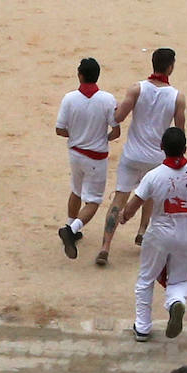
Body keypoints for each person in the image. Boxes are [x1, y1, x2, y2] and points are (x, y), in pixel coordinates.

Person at [120, 127, 187, 342]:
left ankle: (143, 327)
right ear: (185, 148)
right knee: (179, 280)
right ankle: (176, 302)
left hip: (160, 236)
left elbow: (134, 205)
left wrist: (123, 216)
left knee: (146, 279)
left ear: (161, 147)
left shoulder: (153, 175)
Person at [97, 48, 186, 265]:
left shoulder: (137, 89)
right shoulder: (177, 97)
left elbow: (118, 116)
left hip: (133, 154)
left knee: (119, 198)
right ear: (170, 67)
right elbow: (179, 133)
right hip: (157, 158)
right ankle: (143, 230)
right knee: (151, 196)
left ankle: (105, 246)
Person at [55, 58, 120, 258]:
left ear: (80, 75)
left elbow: (60, 130)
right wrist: (103, 138)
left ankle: (69, 224)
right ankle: (72, 229)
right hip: (96, 157)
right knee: (93, 201)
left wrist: (75, 136)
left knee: (76, 190)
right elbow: (116, 131)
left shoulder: (69, 98)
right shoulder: (108, 99)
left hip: (75, 153)